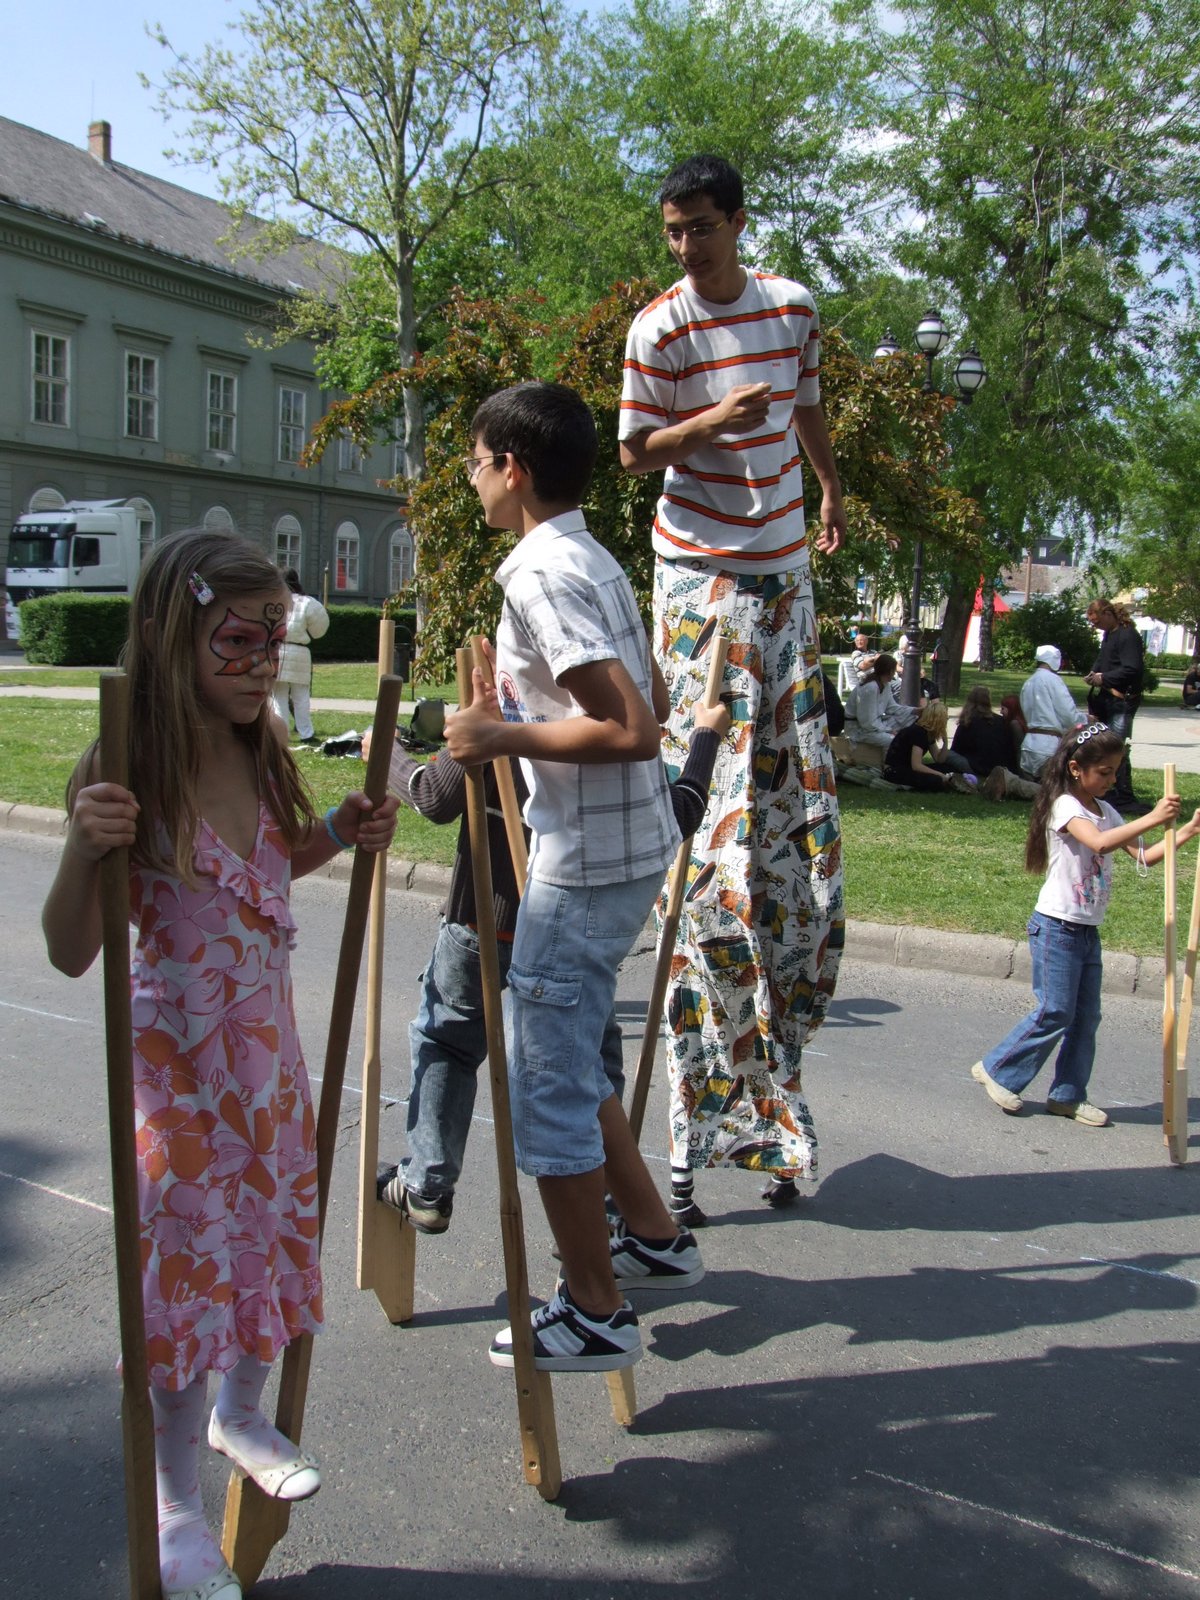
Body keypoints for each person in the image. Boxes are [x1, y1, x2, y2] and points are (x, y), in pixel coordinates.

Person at [40, 530, 398, 1600]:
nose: (259, 665)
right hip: (179, 1074)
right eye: (237, 641)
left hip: (267, 1063)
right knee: (186, 1274)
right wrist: (82, 847)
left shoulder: (261, 743)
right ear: (169, 634)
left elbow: (273, 866)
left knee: (273, 1237)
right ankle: (174, 1506)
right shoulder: (125, 764)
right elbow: (68, 948)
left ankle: (244, 1415)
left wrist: (339, 827)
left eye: (273, 642)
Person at [443, 379, 703, 1374]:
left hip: (586, 863)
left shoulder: (540, 573)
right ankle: (654, 1236)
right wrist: (521, 720)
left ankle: (596, 1309)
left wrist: (497, 735)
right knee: (573, 1059)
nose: (473, 480)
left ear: (512, 468)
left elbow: (633, 728)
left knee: (547, 1080)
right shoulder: (592, 556)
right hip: (623, 848)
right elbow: (651, 698)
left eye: (476, 463)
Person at [617, 153, 846, 1220]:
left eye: (701, 227)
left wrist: (829, 485)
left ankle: (774, 1117)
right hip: (698, 574)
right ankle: (694, 1126)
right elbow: (633, 452)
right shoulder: (659, 329)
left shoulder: (792, 307)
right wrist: (709, 424)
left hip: (783, 568)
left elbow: (808, 409)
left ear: (739, 222)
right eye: (673, 230)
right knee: (709, 845)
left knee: (791, 854)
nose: (686, 246)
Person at [368, 701, 730, 1234]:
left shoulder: (496, 714)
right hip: (570, 937)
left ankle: (428, 1182)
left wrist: (385, 755)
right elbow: (677, 816)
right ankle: (600, 1208)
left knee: (449, 1041)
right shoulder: (611, 728)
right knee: (588, 1063)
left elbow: (432, 796)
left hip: (490, 922)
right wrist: (704, 738)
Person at [969, 724, 1195, 1128]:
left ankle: (1068, 1095)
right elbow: (1100, 843)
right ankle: (997, 1069)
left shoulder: (1107, 812)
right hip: (1056, 927)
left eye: (1115, 772)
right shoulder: (1065, 807)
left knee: (1086, 1017)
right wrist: (1153, 816)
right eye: (1104, 772)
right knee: (1055, 1010)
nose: (1111, 780)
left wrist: (1187, 830)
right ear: (1076, 768)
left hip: (1087, 930)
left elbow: (1145, 856)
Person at [1085, 597, 1144, 812]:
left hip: (1121, 700)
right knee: (1106, 746)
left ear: (1108, 614)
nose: (1096, 626)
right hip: (1107, 698)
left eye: (1097, 621)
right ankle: (1112, 792)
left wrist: (1104, 678)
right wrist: (1094, 672)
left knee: (1116, 748)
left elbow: (1132, 669)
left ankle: (1123, 795)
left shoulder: (1128, 635)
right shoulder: (1109, 635)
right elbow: (1103, 659)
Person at [272, 567, 329, 744]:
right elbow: (320, 629)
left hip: (277, 650)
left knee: (278, 696)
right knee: (301, 696)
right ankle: (306, 733)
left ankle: (282, 733)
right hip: (299, 652)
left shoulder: (275, 601)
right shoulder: (307, 602)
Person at [882, 700, 976, 793]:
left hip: (908, 768)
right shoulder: (918, 732)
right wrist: (940, 775)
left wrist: (945, 742)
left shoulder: (928, 733)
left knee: (948, 768)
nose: (946, 721)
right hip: (895, 771)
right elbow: (916, 765)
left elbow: (939, 759)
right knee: (936, 780)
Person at [1019, 644, 1080, 778]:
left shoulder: (1028, 682)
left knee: (1031, 786)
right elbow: (1068, 714)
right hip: (1048, 746)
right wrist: (1084, 719)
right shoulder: (1053, 680)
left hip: (1029, 745)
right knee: (1051, 786)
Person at [845, 654, 918, 750]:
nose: (894, 673)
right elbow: (867, 723)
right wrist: (889, 730)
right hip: (858, 729)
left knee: (913, 717)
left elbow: (892, 708)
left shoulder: (885, 685)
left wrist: (915, 711)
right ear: (890, 671)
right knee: (894, 740)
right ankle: (889, 759)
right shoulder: (870, 688)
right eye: (894, 670)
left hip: (876, 724)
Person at [951, 685, 1020, 778]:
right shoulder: (1001, 721)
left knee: (949, 755)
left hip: (977, 768)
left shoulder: (967, 722)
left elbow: (956, 749)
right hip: (1001, 768)